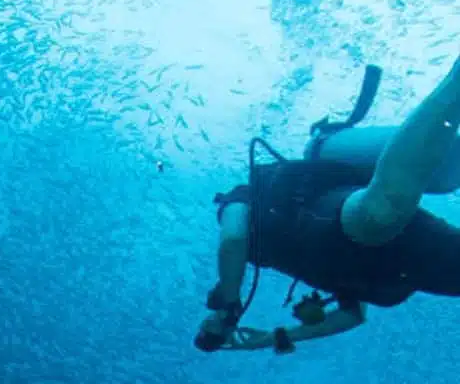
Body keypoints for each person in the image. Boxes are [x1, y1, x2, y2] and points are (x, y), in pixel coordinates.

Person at [196, 57, 460, 354]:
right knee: (385, 213)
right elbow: (352, 315)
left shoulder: (241, 198)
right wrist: (272, 337)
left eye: (212, 310)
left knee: (380, 213)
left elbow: (232, 239)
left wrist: (231, 301)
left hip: (337, 219)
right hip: (394, 267)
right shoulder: (273, 256)